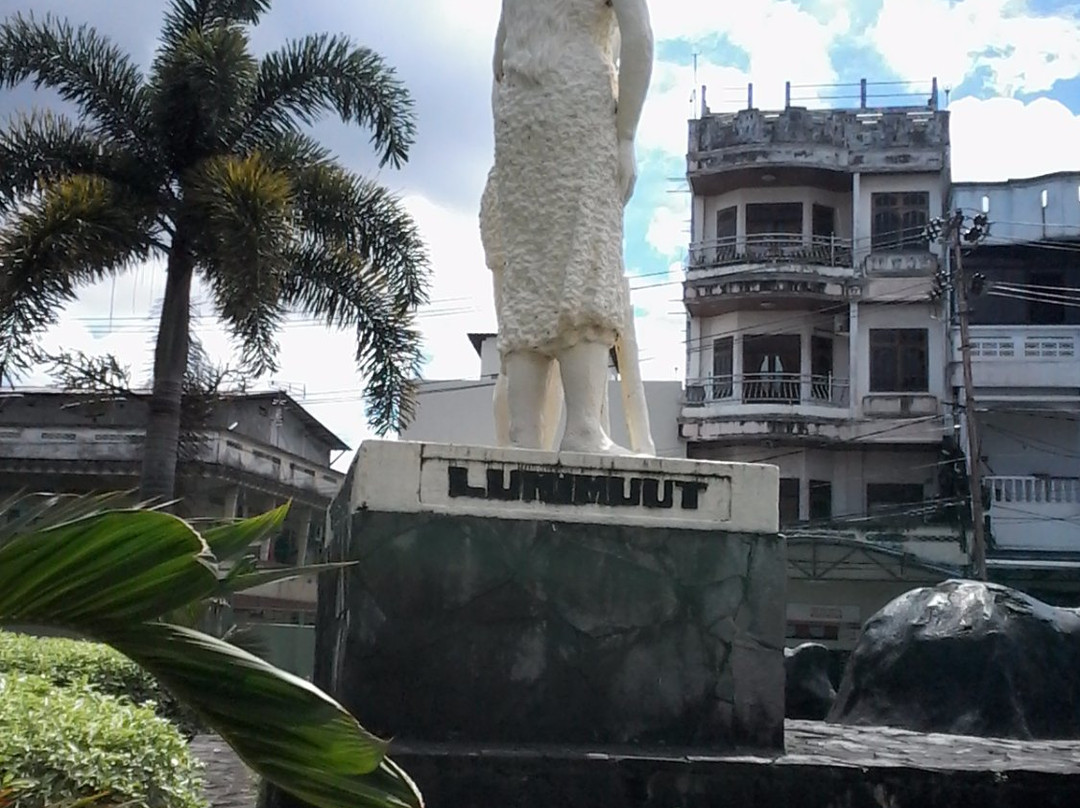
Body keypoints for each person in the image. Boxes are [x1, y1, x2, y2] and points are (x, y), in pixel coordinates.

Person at [486, 0, 653, 454]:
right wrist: (626, 135)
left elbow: (500, 56)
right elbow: (639, 38)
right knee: (586, 256)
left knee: (528, 273)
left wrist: (505, 132)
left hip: (518, 114)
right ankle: (582, 428)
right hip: (578, 103)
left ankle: (523, 433)